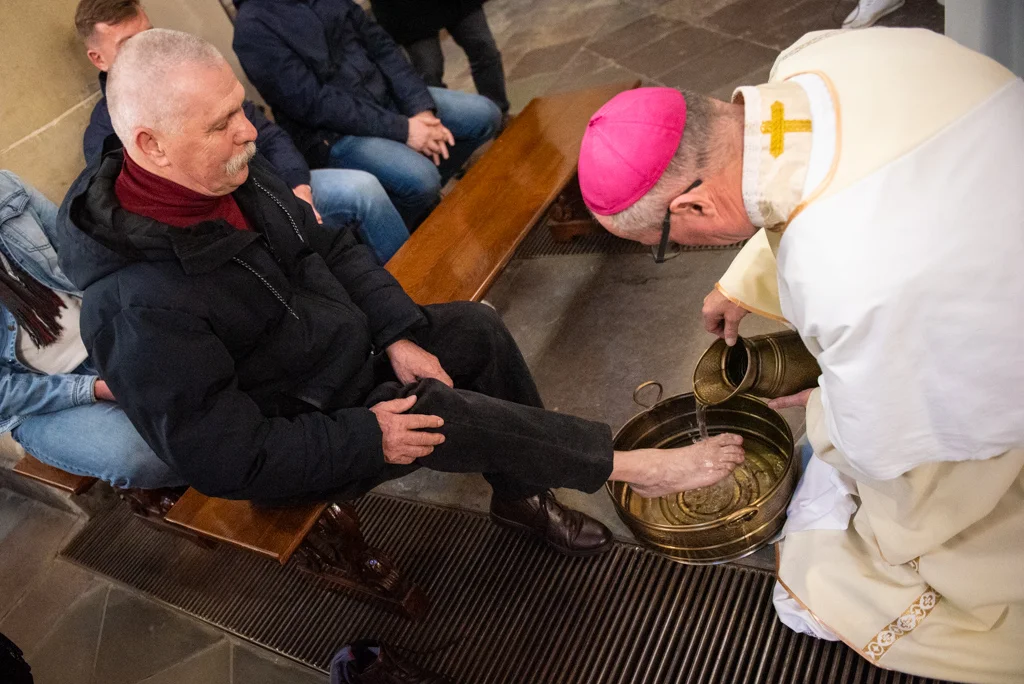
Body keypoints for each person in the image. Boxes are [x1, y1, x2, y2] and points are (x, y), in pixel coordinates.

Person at [58, 30, 747, 557]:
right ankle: (628, 466)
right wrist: (364, 436)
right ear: (150, 145)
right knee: (440, 410)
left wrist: (395, 329)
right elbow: (222, 457)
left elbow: (327, 246)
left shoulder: (228, 172)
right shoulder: (134, 305)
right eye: (220, 124)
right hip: (303, 428)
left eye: (241, 109)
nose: (247, 133)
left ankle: (521, 496)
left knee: (475, 330)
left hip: (346, 352)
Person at [576, 29, 1024, 682]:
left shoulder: (849, 276)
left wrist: (826, 406)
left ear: (692, 206)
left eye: (666, 241)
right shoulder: (818, 59)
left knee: (845, 546)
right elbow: (847, 174)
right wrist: (742, 281)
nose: (682, 250)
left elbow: (891, 438)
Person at [74, 0, 410, 264]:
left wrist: (298, 189)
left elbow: (268, 135)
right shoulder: (106, 140)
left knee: (364, 190)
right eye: (130, 44)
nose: (148, 50)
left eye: (150, 34)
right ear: (98, 58)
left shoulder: (197, 77)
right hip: (224, 228)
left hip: (279, 185)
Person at [231, 0, 503, 228]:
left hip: (388, 101)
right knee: (421, 179)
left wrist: (419, 109)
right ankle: (408, 221)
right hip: (334, 134)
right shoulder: (252, 28)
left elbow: (382, 46)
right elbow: (314, 104)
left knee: (485, 114)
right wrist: (403, 130)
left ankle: (414, 206)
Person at [0, 170, 184, 490]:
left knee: (209, 377)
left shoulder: (5, 186)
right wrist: (93, 389)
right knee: (143, 456)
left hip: (102, 335)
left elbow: (78, 250)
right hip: (37, 401)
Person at [369, 0, 510, 123]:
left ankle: (499, 114)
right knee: (430, 72)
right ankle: (450, 130)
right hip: (408, 11)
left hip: (457, 4)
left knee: (484, 48)